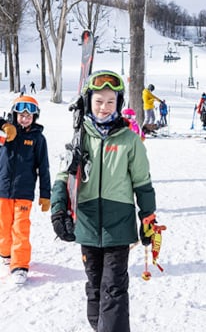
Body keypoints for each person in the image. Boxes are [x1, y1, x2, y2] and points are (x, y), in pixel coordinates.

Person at [50, 70, 157, 332]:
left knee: (114, 287)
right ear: (89, 102)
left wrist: (148, 219)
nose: (104, 107)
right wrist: (57, 211)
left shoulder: (130, 141)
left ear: (118, 104)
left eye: (110, 102)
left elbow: (143, 183)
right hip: (85, 224)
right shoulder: (79, 138)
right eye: (98, 101)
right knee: (94, 286)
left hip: (118, 226)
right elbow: (63, 177)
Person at [0, 95, 51, 285]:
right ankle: (6, 254)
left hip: (24, 193)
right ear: (14, 114)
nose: (25, 118)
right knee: (3, 228)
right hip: (2, 191)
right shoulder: (5, 133)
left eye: (29, 116)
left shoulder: (38, 139)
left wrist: (45, 194)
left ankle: (19, 266)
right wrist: (4, 125)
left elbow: (43, 168)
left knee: (21, 228)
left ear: (34, 118)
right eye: (21, 114)